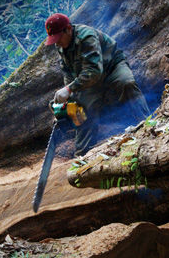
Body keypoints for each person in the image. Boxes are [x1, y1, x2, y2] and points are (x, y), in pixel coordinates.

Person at [45, 13, 150, 156]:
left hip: (111, 67)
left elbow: (94, 71)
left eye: (58, 38)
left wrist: (69, 89)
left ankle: (147, 125)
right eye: (54, 40)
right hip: (88, 78)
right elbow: (68, 72)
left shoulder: (86, 37)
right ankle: (82, 155)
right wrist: (67, 100)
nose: (56, 43)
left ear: (68, 29)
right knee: (81, 108)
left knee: (126, 83)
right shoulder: (61, 46)